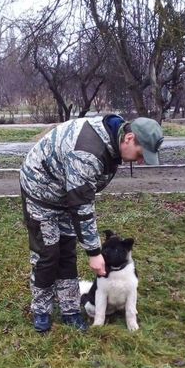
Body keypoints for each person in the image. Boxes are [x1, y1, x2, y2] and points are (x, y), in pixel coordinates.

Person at [20, 114, 164, 333]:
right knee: (47, 254)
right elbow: (82, 205)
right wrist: (94, 252)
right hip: (41, 192)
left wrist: (89, 246)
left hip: (67, 193)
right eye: (141, 153)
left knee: (67, 252)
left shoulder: (114, 142)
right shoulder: (88, 153)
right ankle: (41, 310)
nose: (141, 160)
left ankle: (70, 310)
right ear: (129, 138)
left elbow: (81, 195)